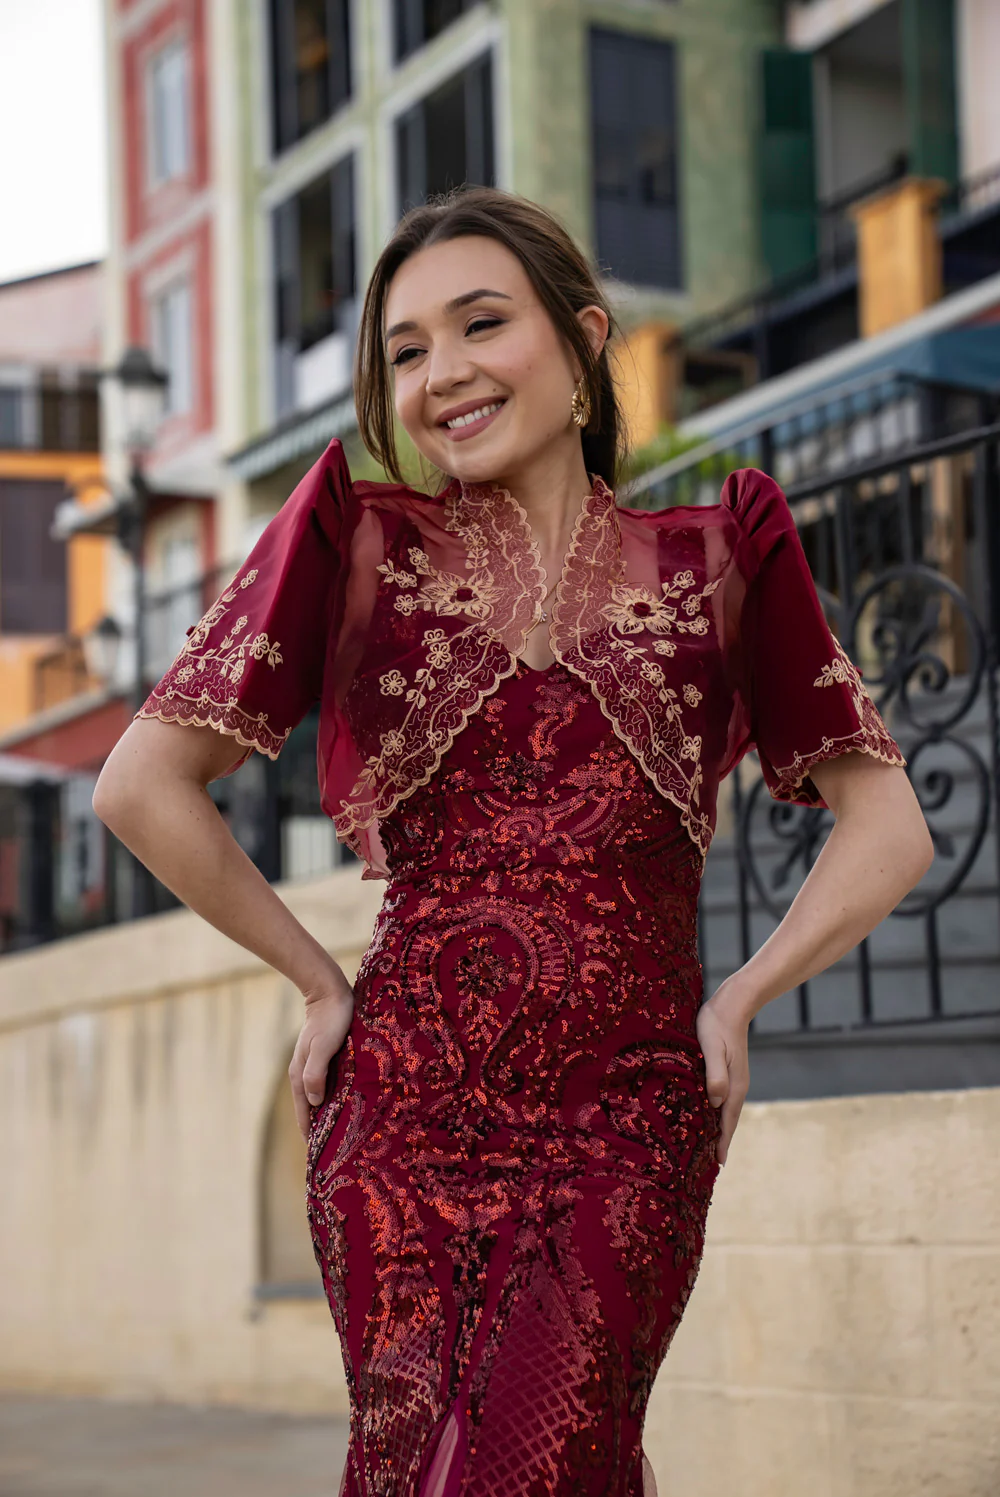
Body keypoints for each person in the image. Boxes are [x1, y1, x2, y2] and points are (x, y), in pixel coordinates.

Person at [93, 186, 933, 1497]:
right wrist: (320, 981)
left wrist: (745, 999)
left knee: (539, 1461)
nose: (444, 373)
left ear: (586, 340)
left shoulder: (721, 560)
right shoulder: (356, 541)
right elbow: (142, 787)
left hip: (627, 1115)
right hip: (400, 1117)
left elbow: (889, 831)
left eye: (481, 324)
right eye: (410, 350)